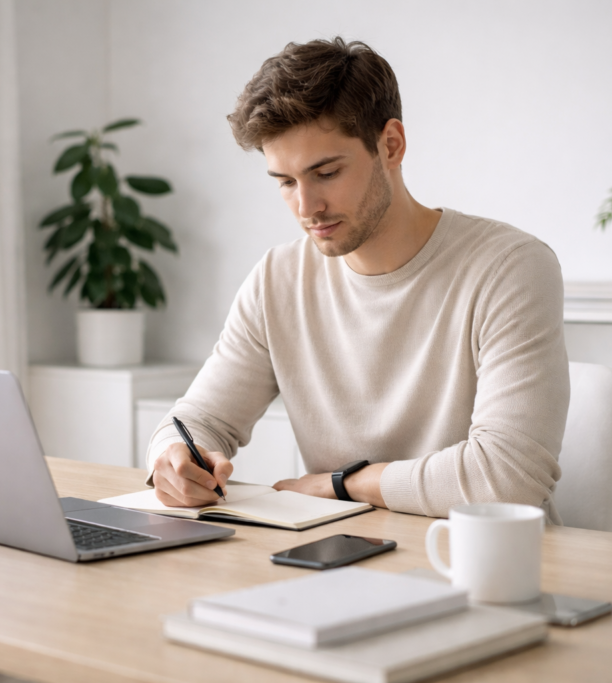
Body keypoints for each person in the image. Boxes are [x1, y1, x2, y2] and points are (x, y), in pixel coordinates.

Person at [145, 37, 570, 523]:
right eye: (285, 182)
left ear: (390, 145)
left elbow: (508, 480)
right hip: (341, 561)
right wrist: (175, 459)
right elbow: (194, 421)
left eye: (325, 172)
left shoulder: (510, 268)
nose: (306, 208)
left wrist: (343, 484)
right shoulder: (277, 280)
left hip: (484, 568)